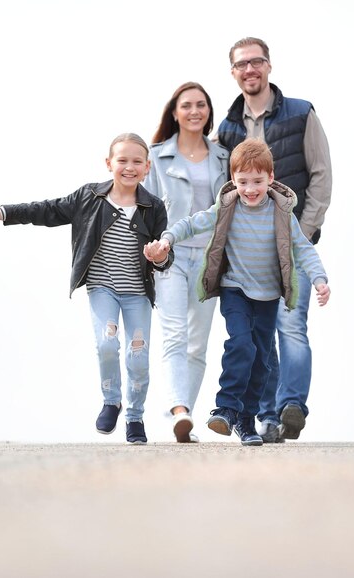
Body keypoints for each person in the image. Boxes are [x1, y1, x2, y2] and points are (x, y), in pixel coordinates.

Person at [0, 133, 173, 444]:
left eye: (137, 161)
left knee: (138, 356)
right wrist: (7, 213)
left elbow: (165, 253)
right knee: (107, 342)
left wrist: (160, 256)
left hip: (137, 292)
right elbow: (48, 210)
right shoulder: (88, 197)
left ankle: (135, 418)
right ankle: (112, 401)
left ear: (147, 167)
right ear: (109, 163)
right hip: (102, 288)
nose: (129, 167)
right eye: (122, 160)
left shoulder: (153, 206)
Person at [144, 138, 330, 447]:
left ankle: (246, 420)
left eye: (257, 181)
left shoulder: (282, 213)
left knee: (262, 361)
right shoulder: (226, 207)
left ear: (271, 179)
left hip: (269, 296)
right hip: (236, 291)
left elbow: (303, 249)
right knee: (242, 345)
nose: (250, 189)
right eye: (243, 181)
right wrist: (168, 239)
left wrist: (320, 279)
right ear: (233, 180)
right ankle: (226, 408)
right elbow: (192, 223)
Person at [216, 36, 332, 442]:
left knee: (291, 325)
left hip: (293, 240)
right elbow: (220, 187)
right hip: (249, 253)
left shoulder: (301, 113)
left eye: (257, 62)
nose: (250, 69)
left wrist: (308, 227)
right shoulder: (227, 127)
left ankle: (291, 406)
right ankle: (267, 416)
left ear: (269, 66)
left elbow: (321, 172)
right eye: (241, 64)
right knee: (261, 335)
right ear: (233, 72)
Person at [143, 82, 229, 443]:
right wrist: (148, 251)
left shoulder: (223, 156)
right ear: (174, 113)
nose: (195, 111)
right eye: (187, 105)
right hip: (171, 256)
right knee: (175, 334)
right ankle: (179, 408)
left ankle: (185, 419)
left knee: (198, 342)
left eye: (201, 105)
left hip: (210, 257)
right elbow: (144, 209)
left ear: (209, 111)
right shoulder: (157, 155)